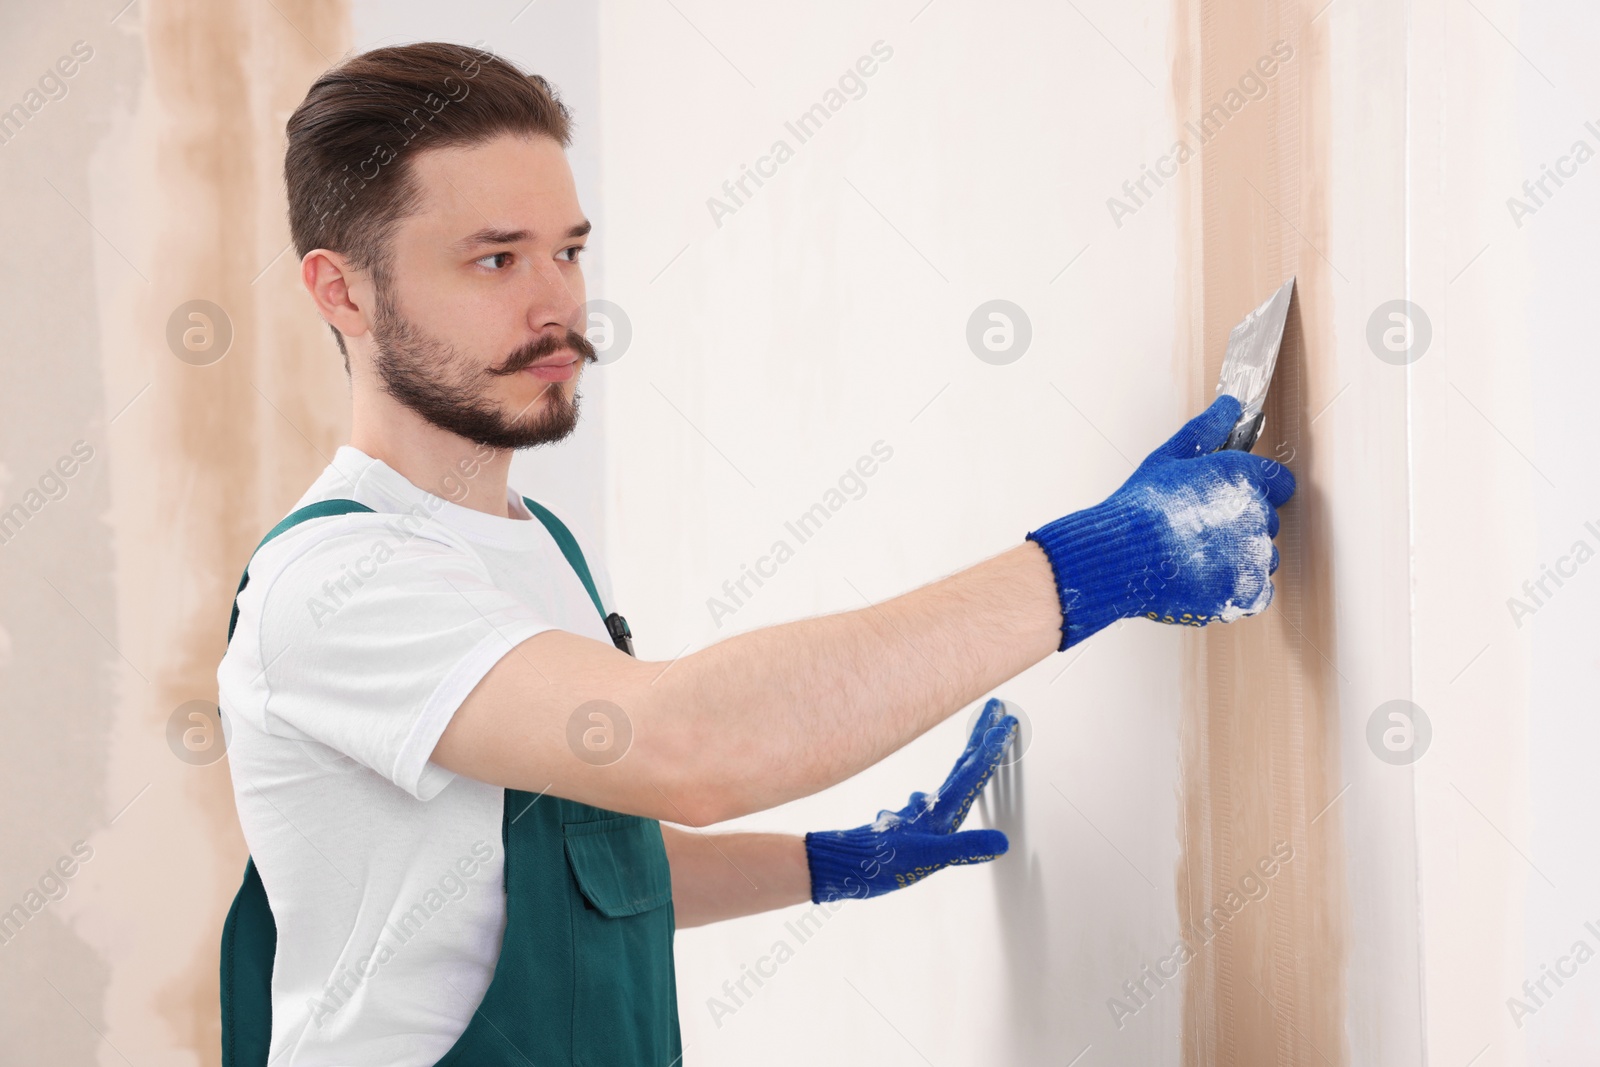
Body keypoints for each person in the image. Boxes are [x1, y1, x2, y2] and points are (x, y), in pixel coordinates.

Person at [215, 41, 1295, 1067]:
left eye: (568, 250)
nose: (558, 303)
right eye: (496, 258)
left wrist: (829, 861)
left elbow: (547, 884)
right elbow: (691, 744)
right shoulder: (339, 584)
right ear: (341, 290)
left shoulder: (531, 545)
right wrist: (1102, 560)